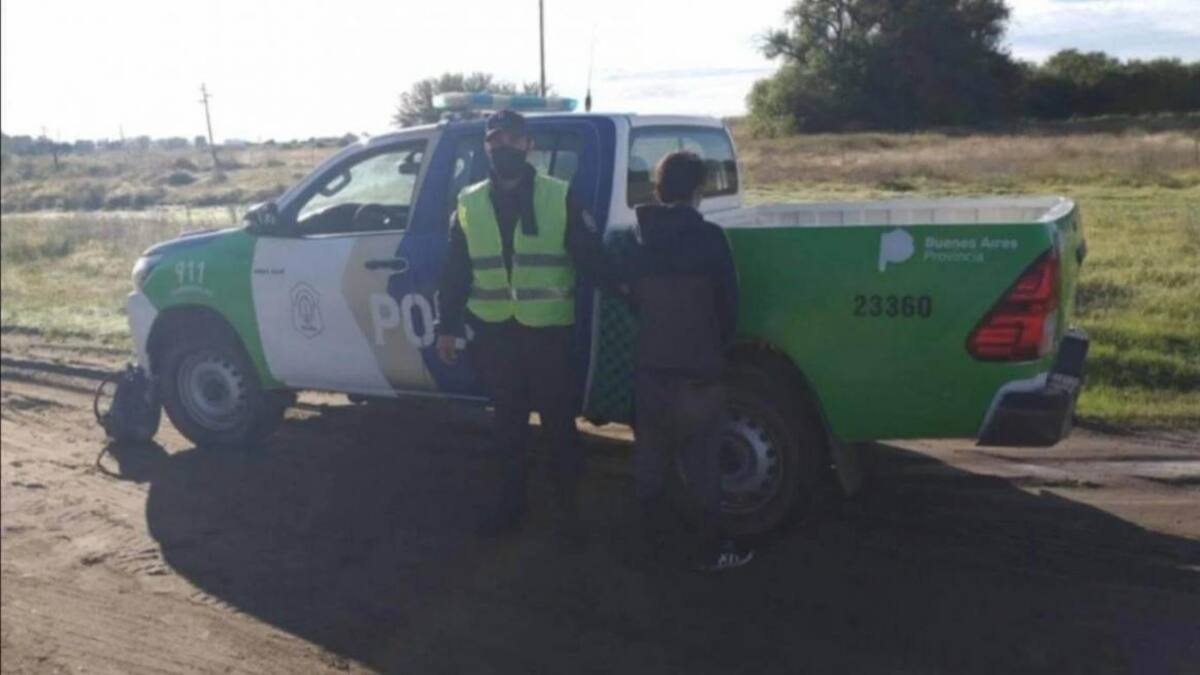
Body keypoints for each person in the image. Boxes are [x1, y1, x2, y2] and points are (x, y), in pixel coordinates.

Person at [434, 110, 614, 540]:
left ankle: (568, 514)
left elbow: (591, 259)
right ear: (487, 147)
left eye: (513, 139)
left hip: (547, 334)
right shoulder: (469, 202)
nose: (504, 147)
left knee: (558, 426)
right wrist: (447, 325)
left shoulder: (559, 196)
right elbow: (455, 270)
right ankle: (510, 507)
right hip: (495, 333)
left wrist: (633, 288)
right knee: (508, 427)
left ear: (528, 145)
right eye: (496, 140)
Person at [625, 150, 753, 572]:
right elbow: (729, 308)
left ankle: (647, 551)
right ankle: (717, 550)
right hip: (699, 371)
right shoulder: (711, 239)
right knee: (701, 467)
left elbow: (629, 300)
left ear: (659, 190)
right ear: (698, 191)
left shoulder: (637, 237)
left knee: (651, 464)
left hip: (651, 368)